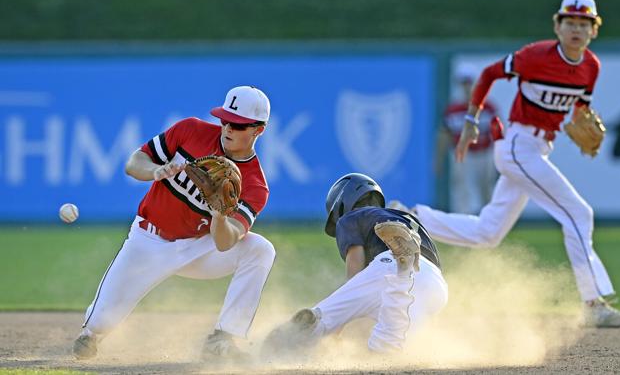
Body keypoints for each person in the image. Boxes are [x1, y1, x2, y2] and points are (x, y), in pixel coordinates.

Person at [402, 0, 620, 327]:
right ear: (557, 25)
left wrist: (583, 119)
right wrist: (471, 120)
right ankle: (594, 304)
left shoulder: (590, 68)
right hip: (517, 146)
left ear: (594, 31)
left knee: (488, 232)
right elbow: (489, 74)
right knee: (578, 214)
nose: (576, 29)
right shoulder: (535, 56)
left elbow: (579, 108)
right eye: (569, 21)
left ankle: (413, 218)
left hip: (538, 149)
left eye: (584, 24)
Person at [72, 85, 276, 360]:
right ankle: (92, 333)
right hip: (148, 240)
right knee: (97, 325)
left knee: (260, 249)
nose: (227, 128)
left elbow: (226, 243)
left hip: (198, 247)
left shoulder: (255, 185)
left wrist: (219, 213)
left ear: (258, 130)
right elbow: (134, 163)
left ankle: (223, 338)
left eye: (238, 125)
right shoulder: (191, 131)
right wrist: (156, 171)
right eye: (225, 119)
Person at [263, 173, 447, 356]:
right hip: (434, 282)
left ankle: (275, 347)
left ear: (342, 205)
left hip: (392, 263)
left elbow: (355, 280)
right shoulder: (409, 220)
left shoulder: (352, 217)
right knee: (389, 348)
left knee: (322, 320)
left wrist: (336, 327)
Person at [435, 62, 498, 213]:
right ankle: (461, 223)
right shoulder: (453, 109)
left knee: (487, 191)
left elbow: (498, 133)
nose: (466, 87)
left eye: (469, 82)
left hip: (485, 153)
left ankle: (490, 223)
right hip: (463, 155)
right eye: (463, 83)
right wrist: (438, 159)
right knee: (462, 191)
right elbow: (444, 135)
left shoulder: (488, 107)